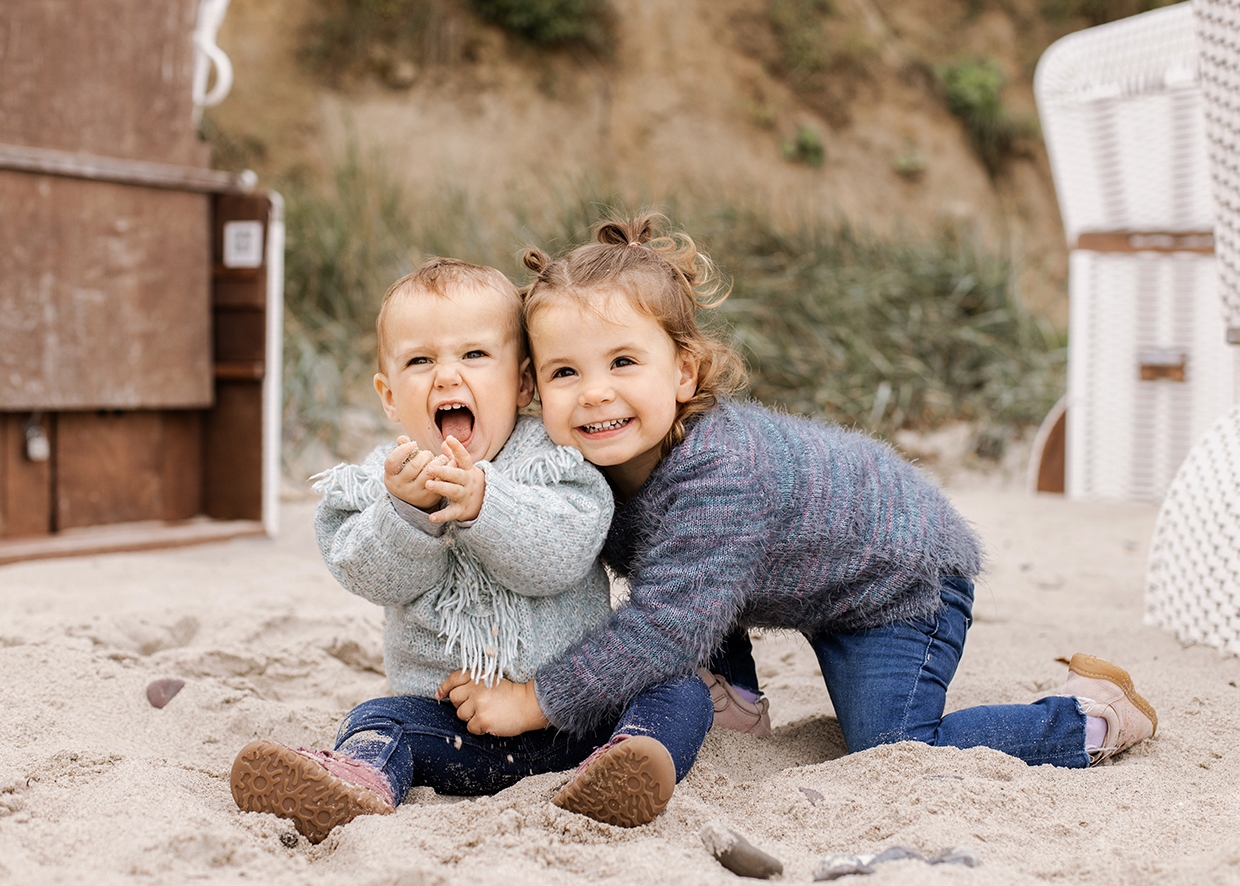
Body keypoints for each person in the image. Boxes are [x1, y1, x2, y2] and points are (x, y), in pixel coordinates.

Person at [437, 215, 1158, 775]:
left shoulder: (719, 473)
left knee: (894, 746)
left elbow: (665, 625)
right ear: (534, 386)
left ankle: (1088, 718)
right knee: (687, 572)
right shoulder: (584, 456)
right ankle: (737, 703)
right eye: (565, 372)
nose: (595, 392)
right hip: (777, 576)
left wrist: (536, 699)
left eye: (624, 361)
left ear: (683, 373)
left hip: (897, 582)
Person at [230, 258, 713, 843]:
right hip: (455, 727)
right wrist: (407, 514)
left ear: (523, 384)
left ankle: (620, 766)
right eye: (420, 360)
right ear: (387, 394)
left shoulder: (557, 461)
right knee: (375, 720)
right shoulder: (383, 481)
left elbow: (560, 555)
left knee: (681, 691)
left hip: (576, 718)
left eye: (474, 355)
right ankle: (360, 782)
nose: (447, 377)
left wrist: (490, 505)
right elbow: (367, 573)